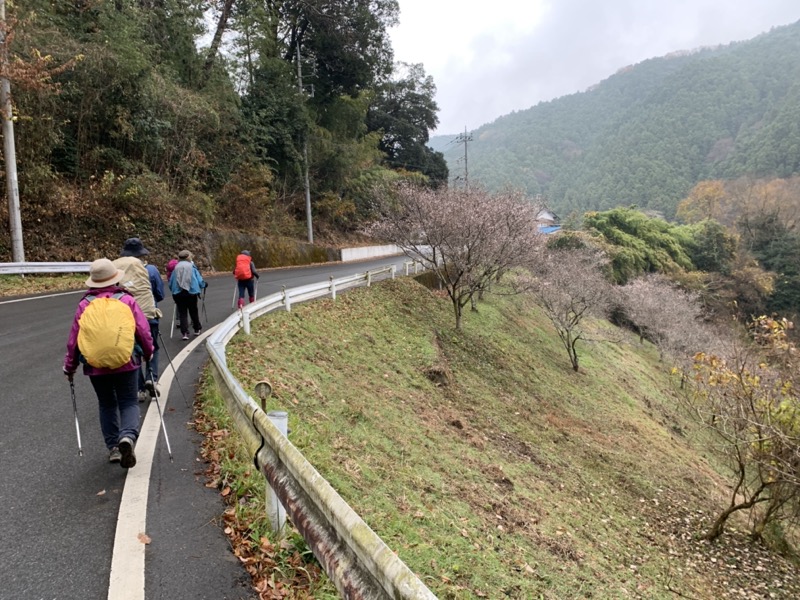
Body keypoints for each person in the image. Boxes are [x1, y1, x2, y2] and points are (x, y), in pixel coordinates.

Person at [63, 258, 154, 468]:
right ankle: (127, 437)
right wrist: (148, 353)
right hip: (126, 361)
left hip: (95, 366)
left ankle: (113, 447)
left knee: (106, 404)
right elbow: (142, 331)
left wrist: (70, 366)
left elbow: (74, 340)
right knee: (128, 401)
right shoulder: (126, 300)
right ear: (115, 278)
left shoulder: (85, 304)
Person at [114, 237, 164, 402]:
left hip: (124, 317)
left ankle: (140, 389)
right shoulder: (150, 269)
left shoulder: (114, 268)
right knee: (152, 347)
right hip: (148, 315)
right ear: (141, 254)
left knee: (133, 351)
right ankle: (152, 377)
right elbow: (159, 293)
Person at [168, 249, 206, 341]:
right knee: (193, 311)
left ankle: (184, 333)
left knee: (182, 313)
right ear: (188, 257)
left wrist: (174, 291)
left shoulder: (176, 268)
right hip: (191, 293)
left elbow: (171, 282)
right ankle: (197, 329)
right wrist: (203, 285)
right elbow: (199, 280)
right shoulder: (192, 267)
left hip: (178, 294)